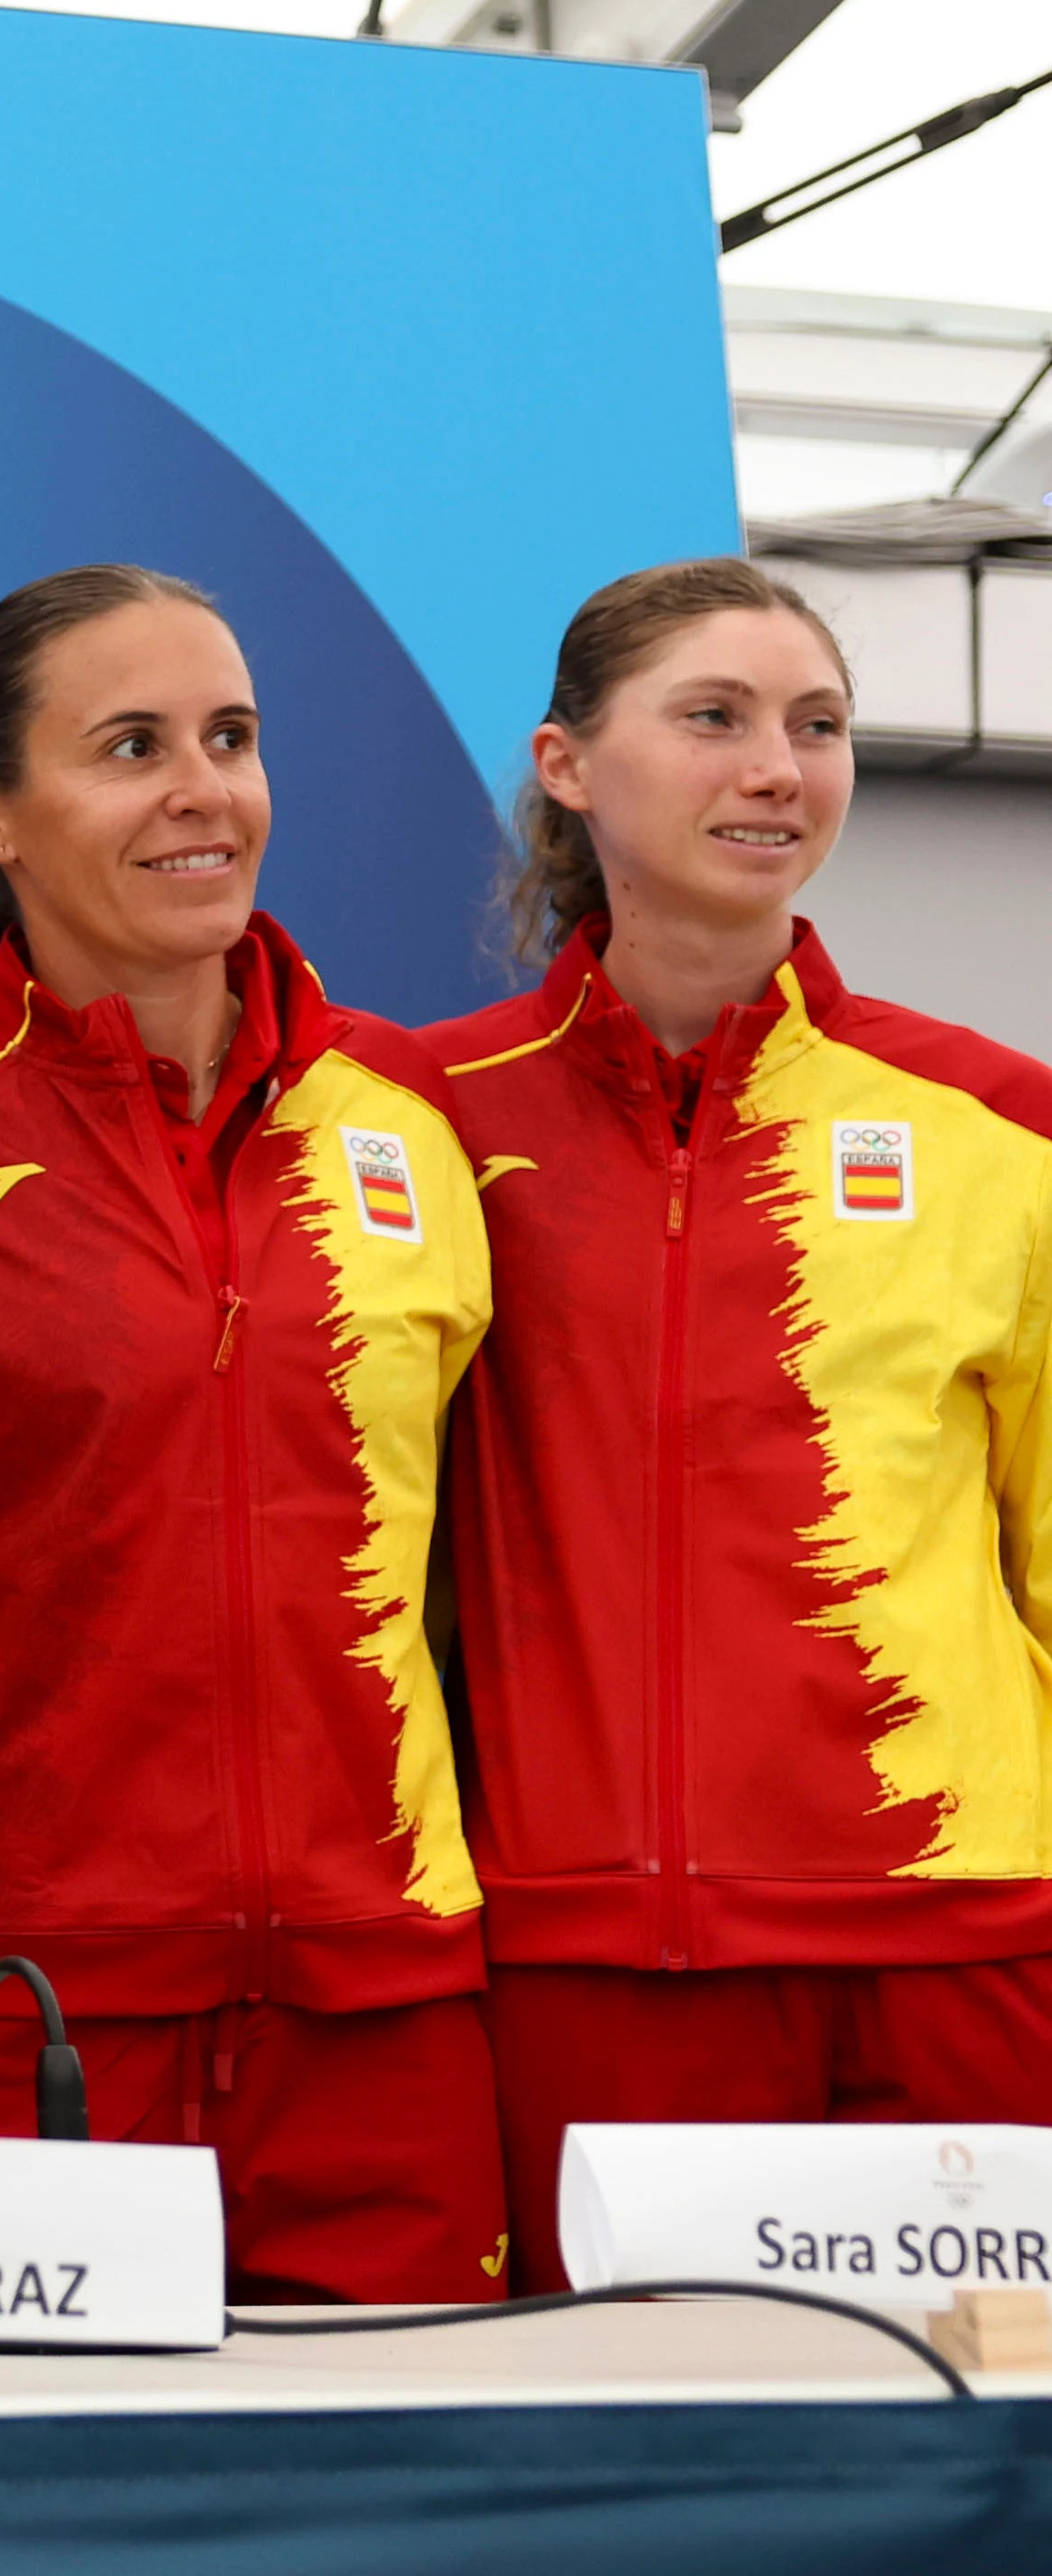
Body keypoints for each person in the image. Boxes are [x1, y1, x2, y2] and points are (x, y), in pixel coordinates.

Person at [0, 563, 501, 2301]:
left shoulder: (408, 1115)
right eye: (130, 747)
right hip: (29, 2009)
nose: (205, 791)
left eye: (233, 738)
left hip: (384, 1999)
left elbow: (506, 1551)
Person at [423, 557, 1052, 2288]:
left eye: (819, 727)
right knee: (640, 2475)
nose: (779, 768)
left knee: (988, 2490)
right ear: (566, 764)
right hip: (594, 1950)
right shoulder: (414, 1122)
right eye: (714, 719)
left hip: (965, 1940)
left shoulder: (1000, 1122)